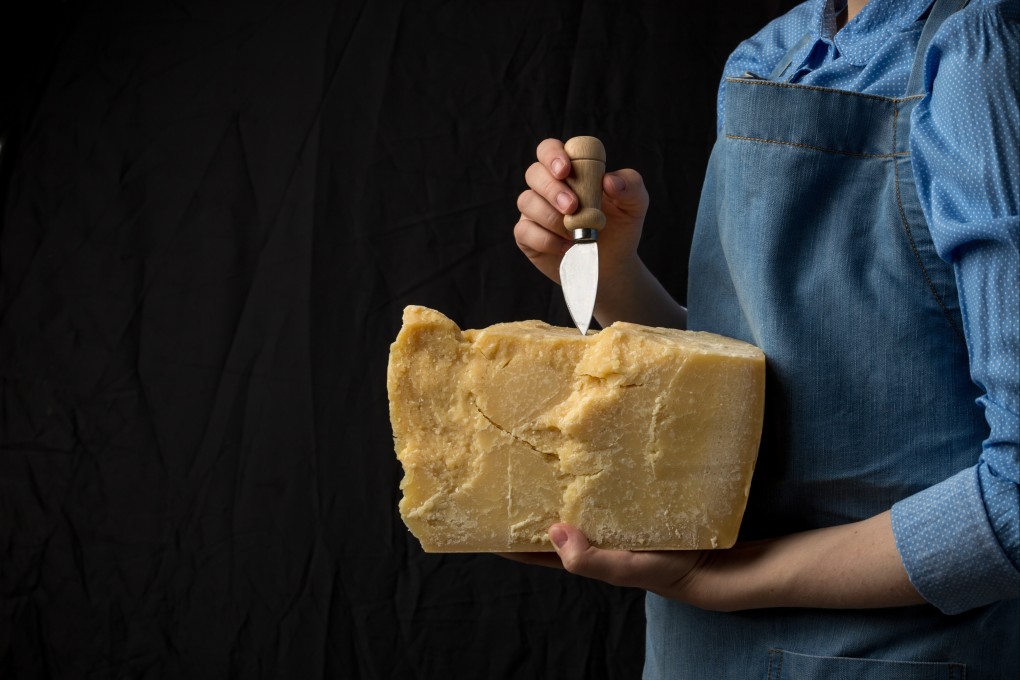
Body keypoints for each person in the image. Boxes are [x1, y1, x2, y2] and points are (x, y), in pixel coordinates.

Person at [510, 0, 1019, 676]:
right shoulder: (771, 54)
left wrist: (725, 580)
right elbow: (753, 389)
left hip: (882, 655)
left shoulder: (979, 58)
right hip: (696, 649)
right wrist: (613, 277)